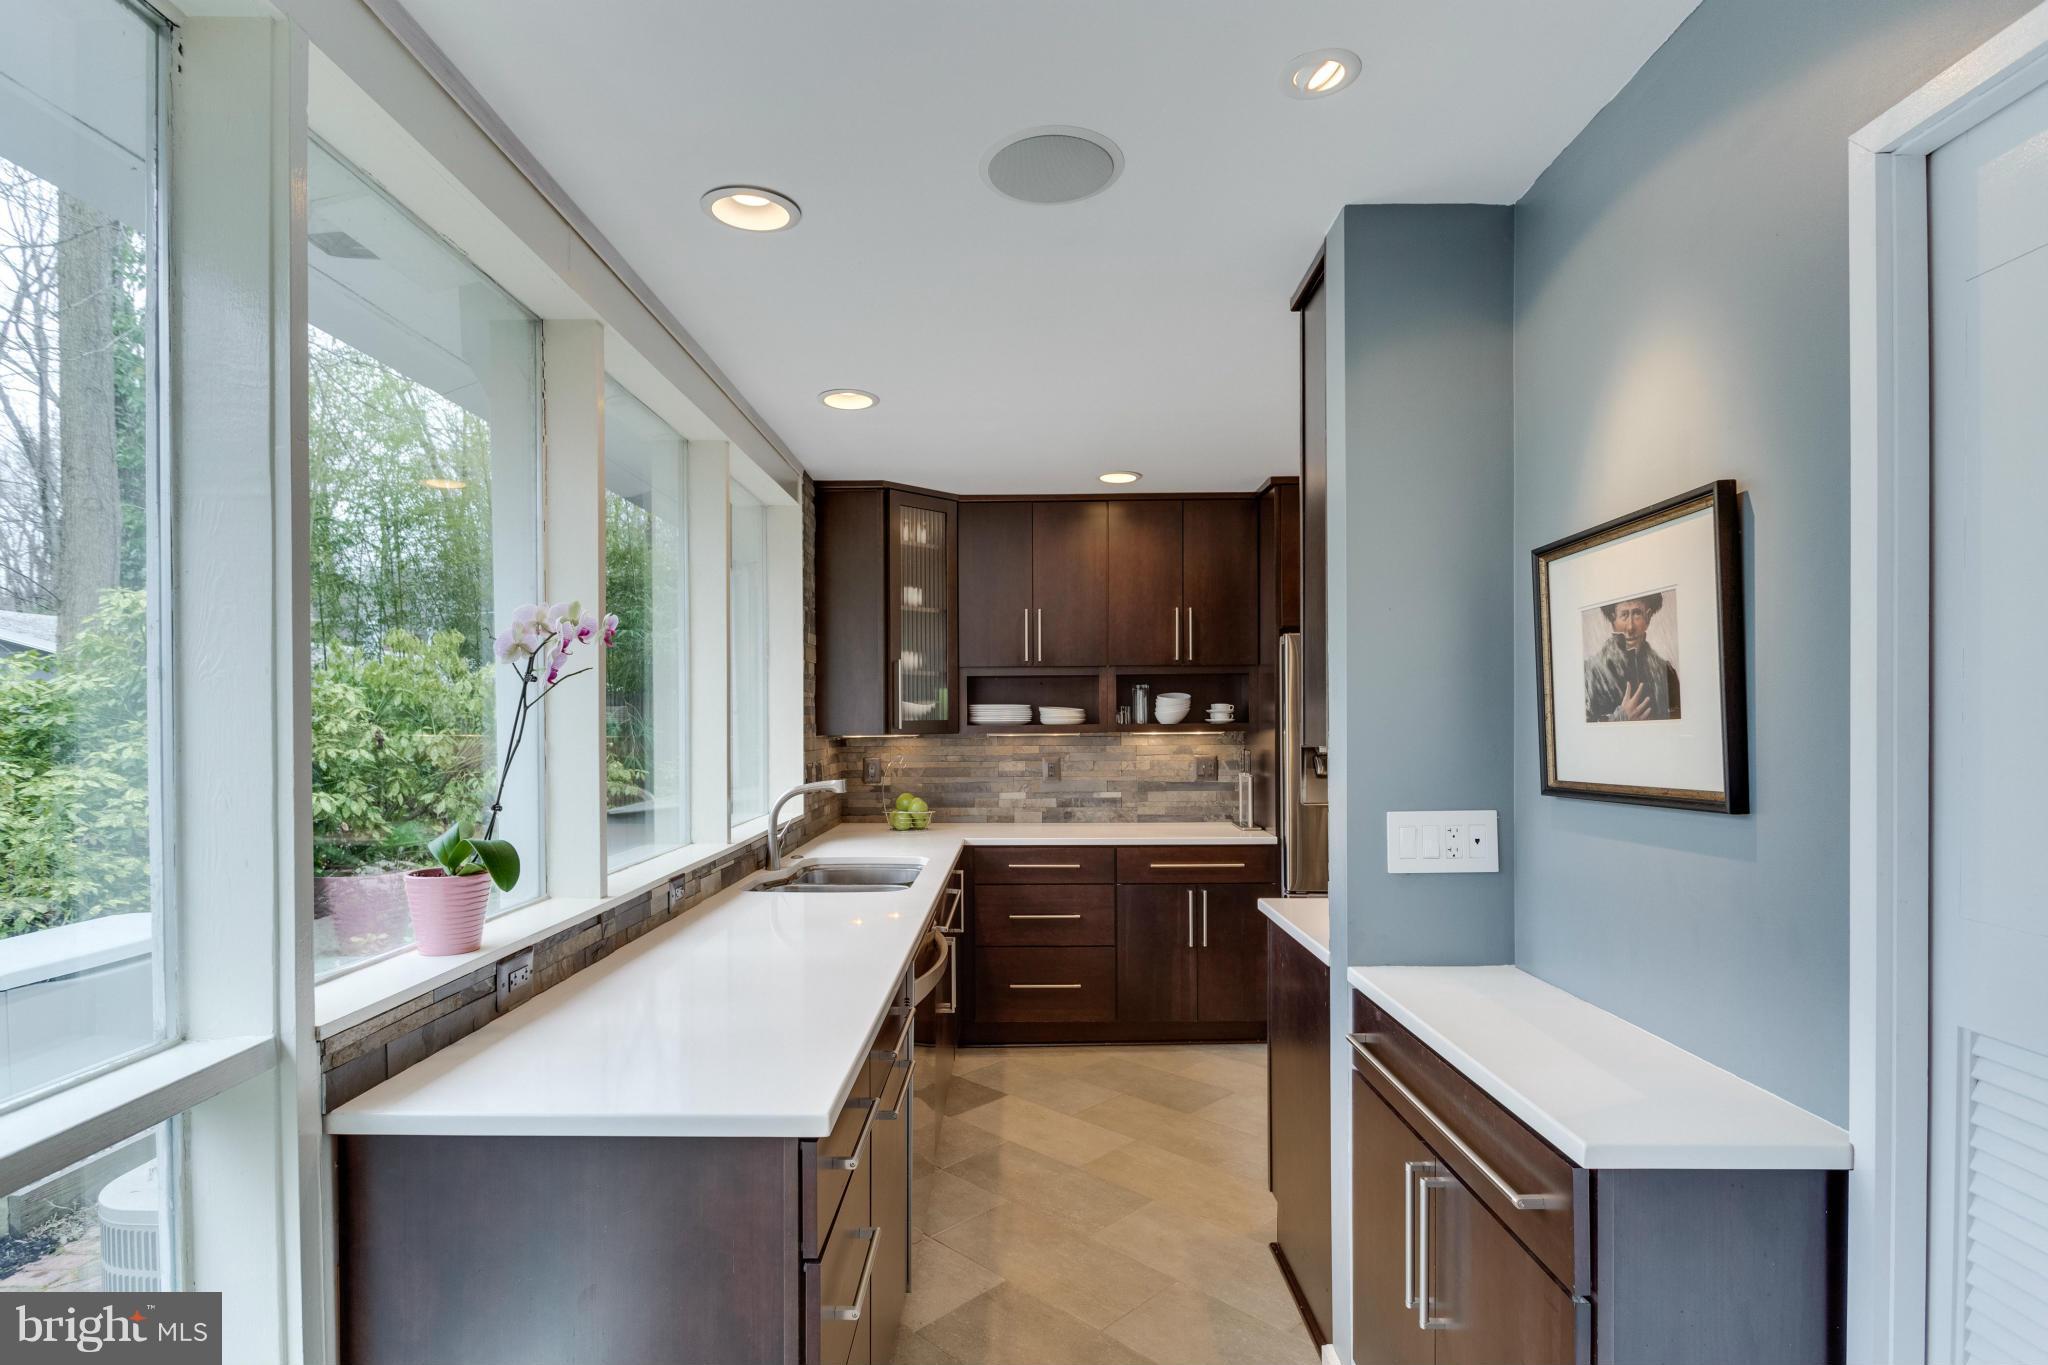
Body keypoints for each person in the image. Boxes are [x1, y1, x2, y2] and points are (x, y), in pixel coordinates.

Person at [1585, 593, 1680, 722]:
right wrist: (1621, 717)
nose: (1630, 627)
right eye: (1624, 615)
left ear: (1648, 617)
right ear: (1613, 619)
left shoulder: (1666, 672)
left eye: (1637, 614)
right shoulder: (1590, 673)